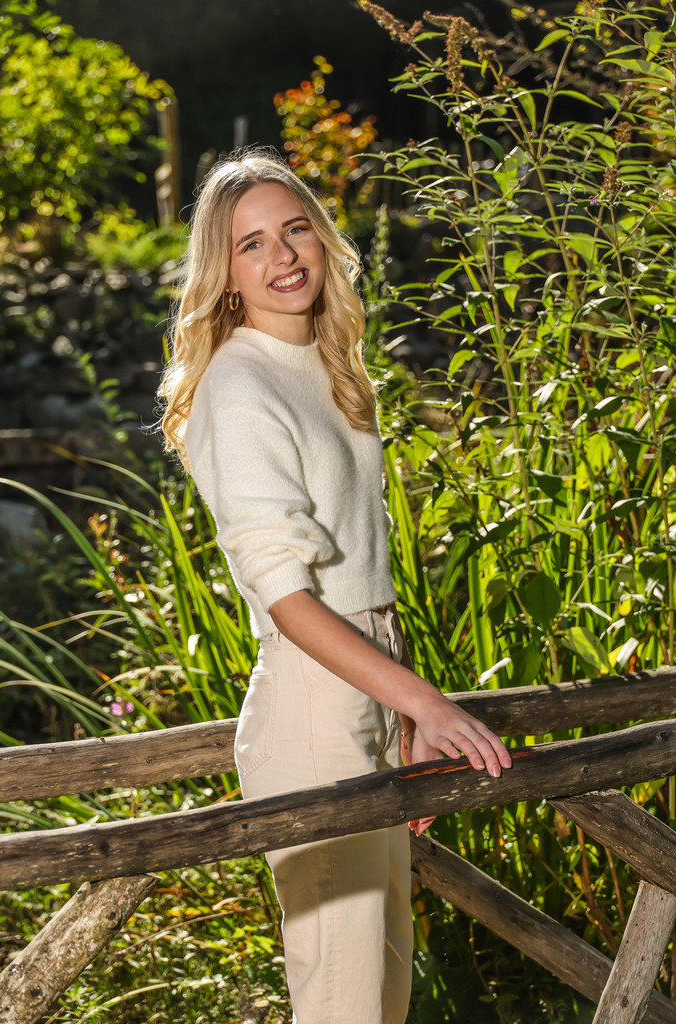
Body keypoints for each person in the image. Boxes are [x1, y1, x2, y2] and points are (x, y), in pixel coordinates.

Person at [157, 148, 511, 1024]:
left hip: (365, 693)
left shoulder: (325, 362)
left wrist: (400, 712)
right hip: (312, 714)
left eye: (295, 229)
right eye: (250, 244)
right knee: (344, 1003)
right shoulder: (238, 385)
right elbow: (288, 599)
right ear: (223, 273)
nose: (282, 256)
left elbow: (362, 574)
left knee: (380, 994)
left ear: (321, 236)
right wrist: (426, 704)